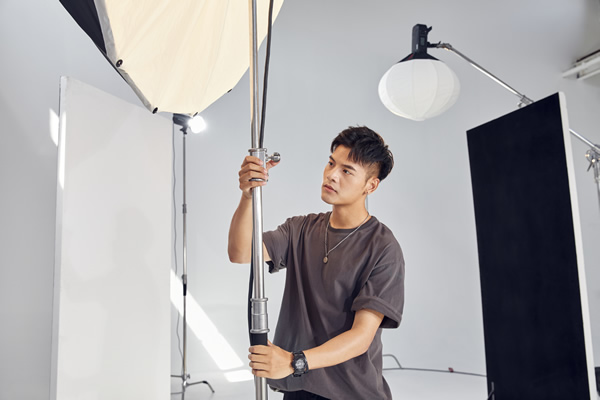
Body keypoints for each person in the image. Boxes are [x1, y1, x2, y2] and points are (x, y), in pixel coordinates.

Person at [228, 126, 405, 399]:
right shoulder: (301, 229)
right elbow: (241, 252)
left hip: (351, 392)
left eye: (347, 171)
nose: (332, 175)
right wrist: (248, 195)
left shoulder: (383, 247)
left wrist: (293, 361)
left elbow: (361, 337)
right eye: (331, 163)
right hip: (300, 386)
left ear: (370, 185)